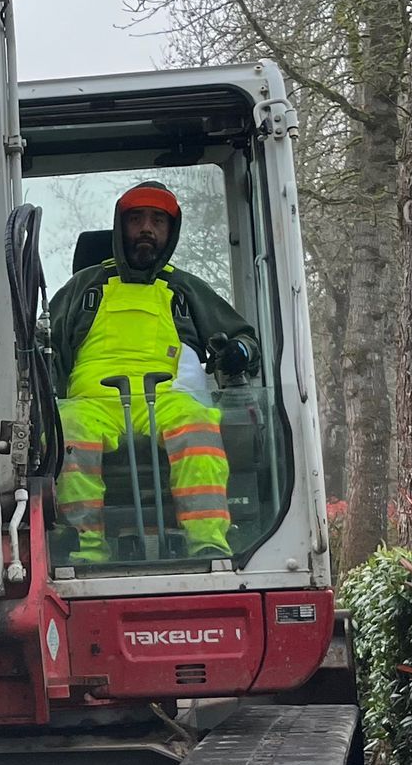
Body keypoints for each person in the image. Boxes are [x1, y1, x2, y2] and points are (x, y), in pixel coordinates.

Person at [45, 183, 261, 562]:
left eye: (158, 220)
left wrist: (237, 353)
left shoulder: (184, 288)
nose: (147, 228)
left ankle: (208, 542)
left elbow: (244, 338)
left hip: (164, 399)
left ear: (170, 230)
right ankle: (85, 550)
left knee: (198, 425)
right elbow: (44, 345)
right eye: (136, 219)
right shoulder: (84, 286)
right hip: (93, 404)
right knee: (68, 430)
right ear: (119, 226)